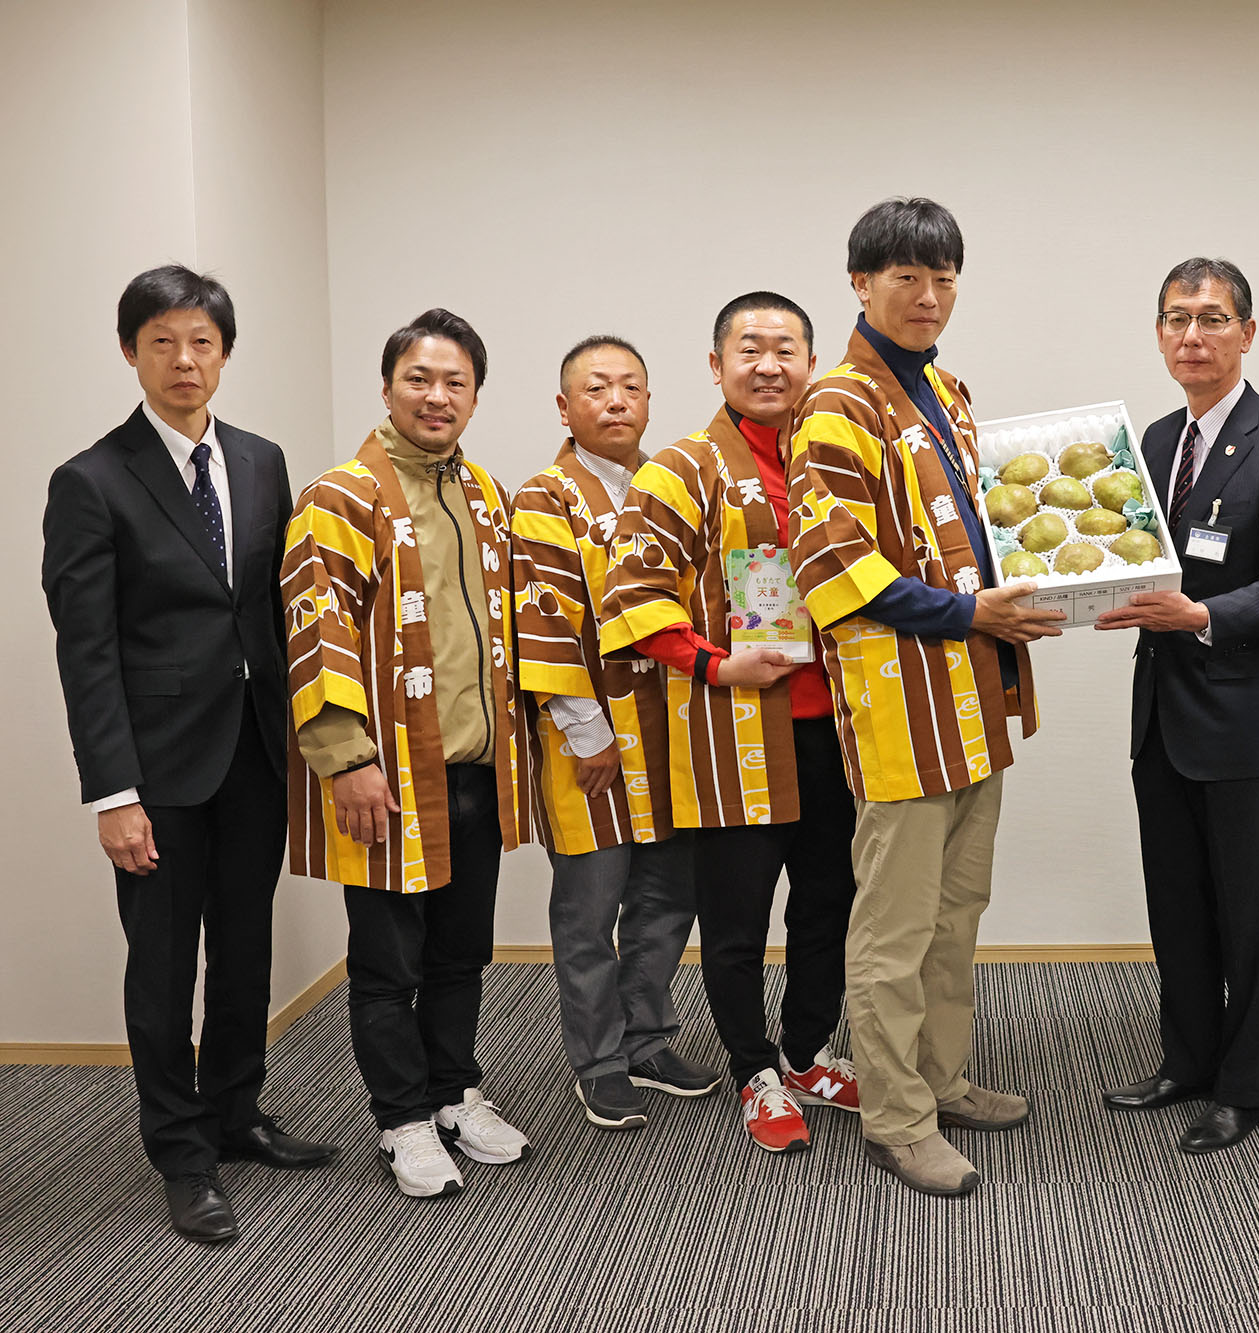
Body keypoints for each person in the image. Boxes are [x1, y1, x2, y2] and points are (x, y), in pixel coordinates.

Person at [42, 265, 337, 1244]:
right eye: (162, 341)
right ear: (130, 351)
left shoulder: (259, 460)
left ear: (225, 353)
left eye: (201, 342)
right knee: (164, 966)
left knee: (245, 947)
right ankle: (179, 1149)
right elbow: (86, 650)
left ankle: (236, 1110)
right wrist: (112, 793)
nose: (184, 360)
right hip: (156, 771)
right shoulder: (91, 480)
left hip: (255, 751)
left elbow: (273, 609)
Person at [788, 198, 1060, 1196]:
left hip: (972, 698)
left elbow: (981, 532)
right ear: (860, 283)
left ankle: (941, 1078)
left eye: (943, 277)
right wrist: (970, 612)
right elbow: (835, 568)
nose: (928, 295)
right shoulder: (836, 403)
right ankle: (896, 1117)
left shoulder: (947, 390)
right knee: (893, 930)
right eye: (906, 276)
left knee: (956, 911)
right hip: (899, 709)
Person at [596, 294, 864, 1156]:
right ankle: (754, 1068)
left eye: (787, 348)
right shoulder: (682, 468)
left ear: (811, 365)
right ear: (716, 365)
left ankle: (806, 1051)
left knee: (828, 902)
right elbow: (632, 596)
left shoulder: (839, 459)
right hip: (734, 729)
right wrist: (716, 664)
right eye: (750, 348)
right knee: (737, 919)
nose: (769, 364)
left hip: (837, 731)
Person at [284, 308, 532, 1198]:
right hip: (387, 773)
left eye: (454, 381)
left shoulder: (487, 494)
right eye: (418, 379)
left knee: (460, 953)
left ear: (475, 395)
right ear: (387, 387)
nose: (437, 396)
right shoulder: (341, 496)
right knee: (388, 963)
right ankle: (401, 1118)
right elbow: (316, 632)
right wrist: (344, 758)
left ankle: (454, 1090)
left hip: (474, 768)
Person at [1097, 257, 1259, 1155]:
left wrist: (1202, 617)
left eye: (1211, 318)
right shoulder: (1154, 440)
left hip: (1248, 723)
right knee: (1178, 905)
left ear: (1248, 332)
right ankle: (1186, 1061)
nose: (1192, 335)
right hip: (1163, 717)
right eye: (1176, 318)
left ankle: (1245, 1085)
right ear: (1159, 333)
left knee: (1250, 918)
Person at [510, 335, 719, 1134]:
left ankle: (648, 1038)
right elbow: (544, 620)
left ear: (650, 401)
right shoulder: (546, 496)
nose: (616, 400)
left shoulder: (667, 486)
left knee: (668, 897)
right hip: (591, 738)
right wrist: (586, 730)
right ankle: (598, 1060)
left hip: (671, 731)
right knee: (590, 908)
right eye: (596, 388)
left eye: (630, 386)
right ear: (565, 408)